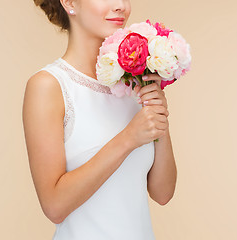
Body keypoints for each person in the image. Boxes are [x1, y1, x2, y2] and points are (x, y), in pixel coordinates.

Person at [22, 0, 177, 239]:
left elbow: (163, 193)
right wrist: (129, 138)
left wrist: (158, 115)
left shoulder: (136, 84)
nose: (121, 6)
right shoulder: (49, 86)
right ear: (69, 2)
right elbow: (54, 207)